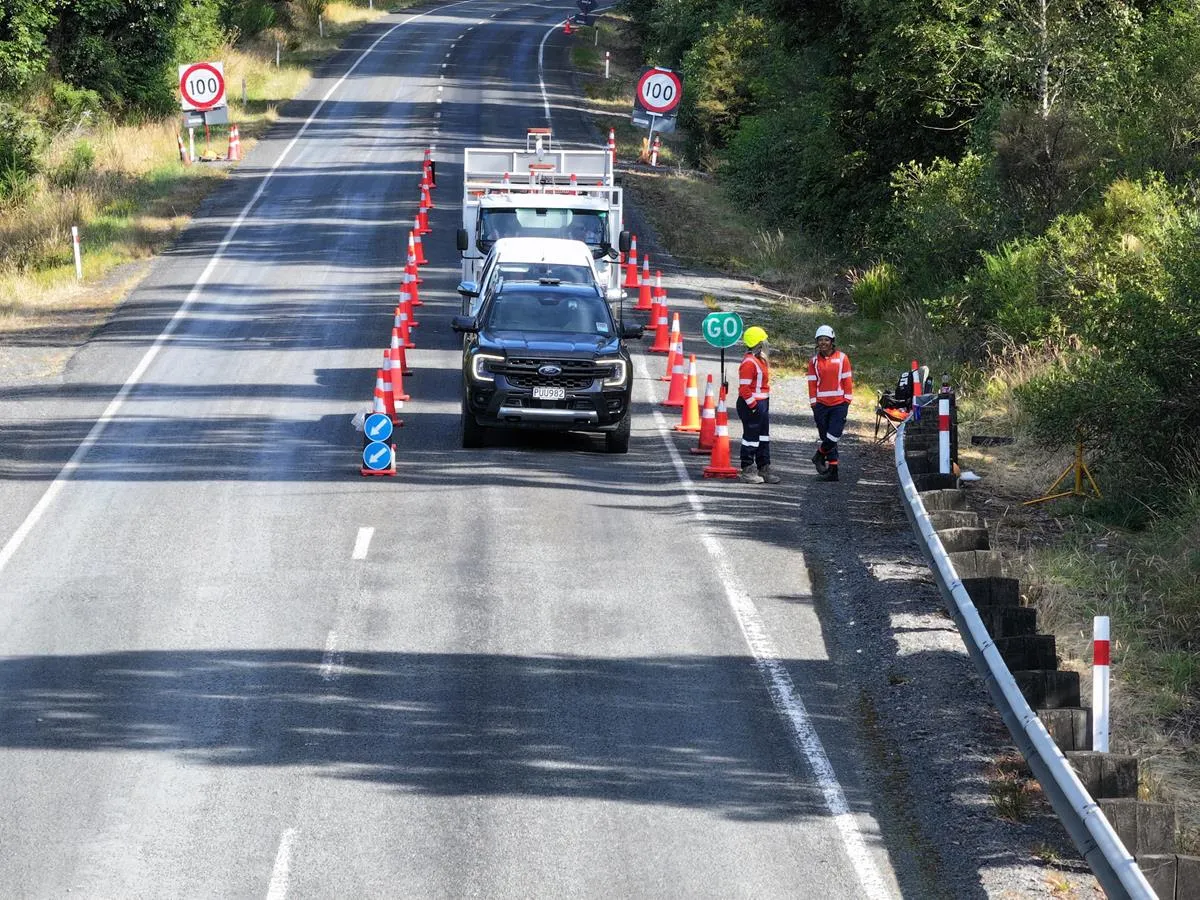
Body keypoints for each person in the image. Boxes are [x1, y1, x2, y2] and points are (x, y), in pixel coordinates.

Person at [807, 324, 853, 482]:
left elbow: (847, 379)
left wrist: (847, 399)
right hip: (820, 405)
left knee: (834, 434)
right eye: (820, 340)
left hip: (839, 403)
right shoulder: (813, 362)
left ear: (832, 341)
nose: (823, 343)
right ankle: (833, 470)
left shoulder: (842, 358)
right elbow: (812, 383)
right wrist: (813, 403)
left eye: (826, 339)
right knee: (825, 435)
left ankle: (819, 455)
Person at [736, 326, 781, 484]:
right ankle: (747, 469)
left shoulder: (759, 361)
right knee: (751, 437)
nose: (767, 344)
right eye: (764, 341)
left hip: (761, 403)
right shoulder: (749, 362)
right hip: (752, 405)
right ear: (758, 344)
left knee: (763, 437)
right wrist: (754, 406)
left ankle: (764, 467)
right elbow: (744, 389)